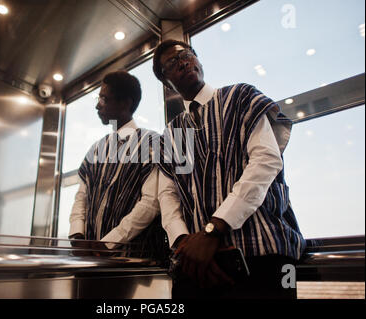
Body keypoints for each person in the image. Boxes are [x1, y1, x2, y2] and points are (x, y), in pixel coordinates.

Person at [152, 39, 306, 298]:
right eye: (172, 62)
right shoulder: (172, 132)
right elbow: (168, 194)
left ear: (198, 59)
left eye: (187, 54)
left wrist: (213, 230)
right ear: (166, 82)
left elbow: (266, 161)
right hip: (197, 266)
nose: (183, 62)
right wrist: (183, 243)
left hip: (262, 255)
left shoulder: (240, 97)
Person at [68, 71, 166, 259]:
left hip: (134, 262)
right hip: (90, 260)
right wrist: (77, 236)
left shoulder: (151, 142)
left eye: (104, 99)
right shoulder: (96, 148)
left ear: (125, 103)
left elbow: (151, 202)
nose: (98, 105)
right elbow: (81, 196)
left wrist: (109, 242)